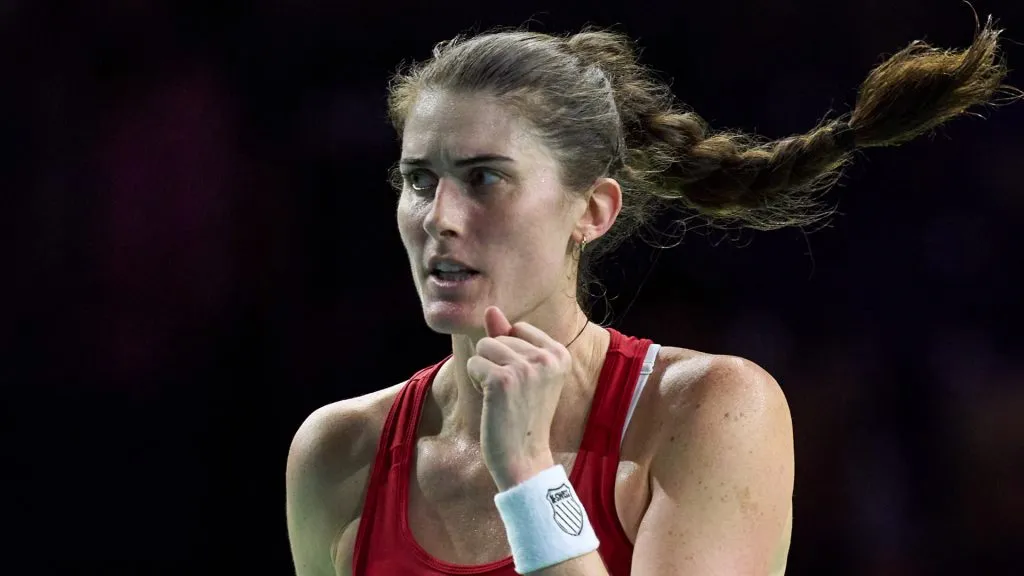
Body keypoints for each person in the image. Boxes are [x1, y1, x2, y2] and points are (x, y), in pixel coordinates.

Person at [285, 15, 1017, 576]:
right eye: (419, 180)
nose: (438, 216)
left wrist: (531, 476)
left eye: (483, 178)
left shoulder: (712, 409)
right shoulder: (338, 452)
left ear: (592, 210)